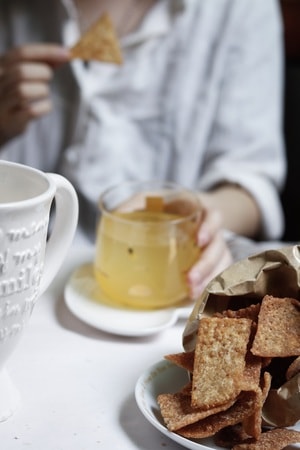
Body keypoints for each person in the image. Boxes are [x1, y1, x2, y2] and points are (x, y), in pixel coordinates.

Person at [0, 0, 286, 300]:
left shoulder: (241, 9)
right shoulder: (13, 12)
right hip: (17, 279)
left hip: (166, 285)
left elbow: (251, 186)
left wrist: (200, 213)